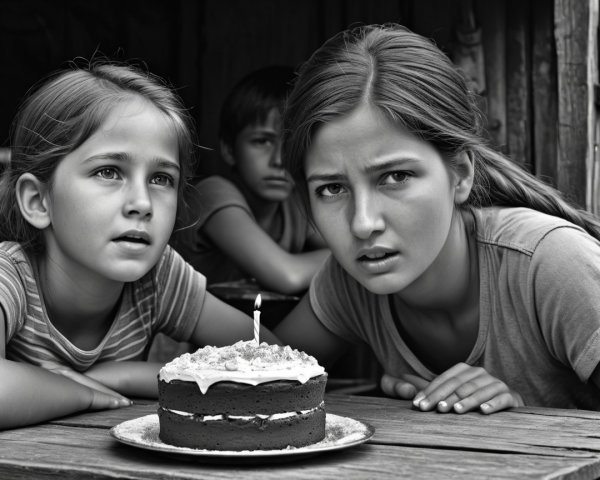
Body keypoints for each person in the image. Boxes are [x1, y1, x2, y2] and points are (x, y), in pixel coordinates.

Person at [274, 23, 600, 414]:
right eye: (332, 189)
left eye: (395, 177)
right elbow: (260, 376)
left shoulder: (550, 264)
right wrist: (183, 294)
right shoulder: (349, 285)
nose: (362, 223)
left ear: (460, 174)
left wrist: (523, 413)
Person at [0, 59, 279, 430]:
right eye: (109, 172)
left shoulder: (159, 278)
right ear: (38, 201)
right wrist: (80, 392)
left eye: (161, 178)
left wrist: (124, 376)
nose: (143, 203)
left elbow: (271, 359)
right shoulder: (11, 278)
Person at [170, 66, 329, 294]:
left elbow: (348, 244)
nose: (279, 160)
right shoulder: (212, 194)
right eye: (262, 141)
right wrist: (348, 257)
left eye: (292, 144)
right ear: (229, 150)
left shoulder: (296, 204)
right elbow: (288, 275)